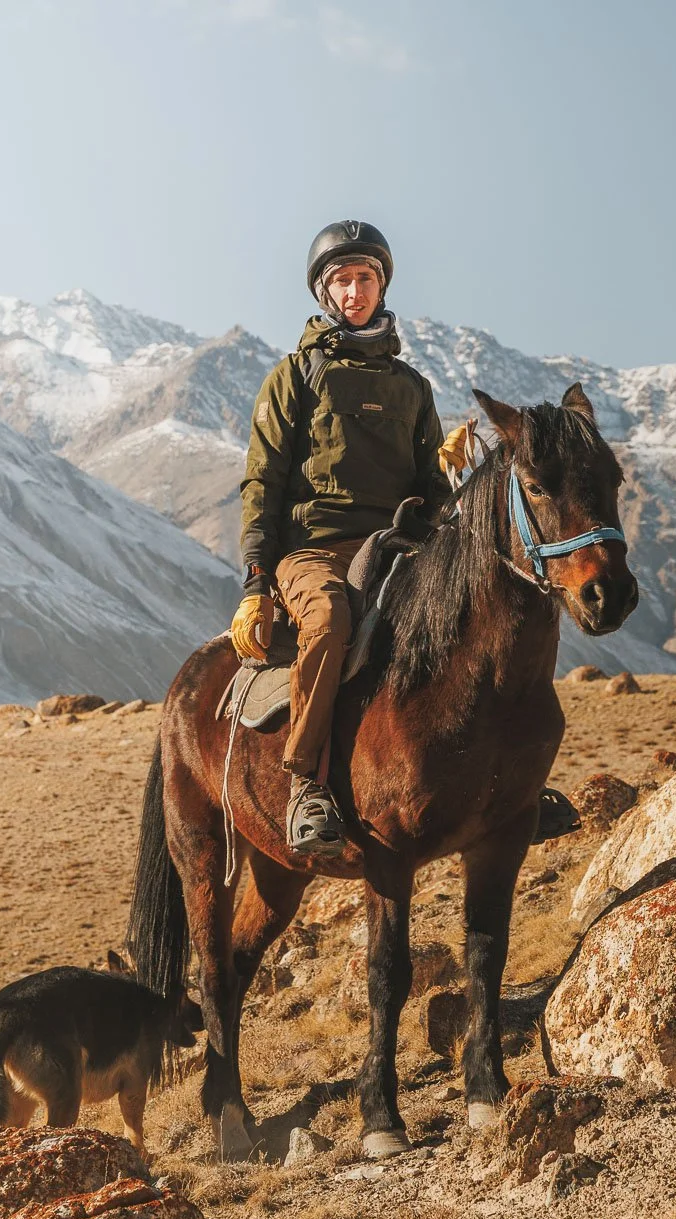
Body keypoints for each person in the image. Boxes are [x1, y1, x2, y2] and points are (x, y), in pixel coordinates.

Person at [230, 220, 451, 855]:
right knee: (329, 620)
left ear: (382, 286)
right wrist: (255, 583)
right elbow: (262, 482)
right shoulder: (294, 377)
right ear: (326, 294)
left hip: (397, 546)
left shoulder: (413, 388)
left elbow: (430, 485)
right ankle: (306, 783)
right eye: (343, 281)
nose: (355, 291)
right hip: (313, 550)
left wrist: (453, 477)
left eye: (366, 278)